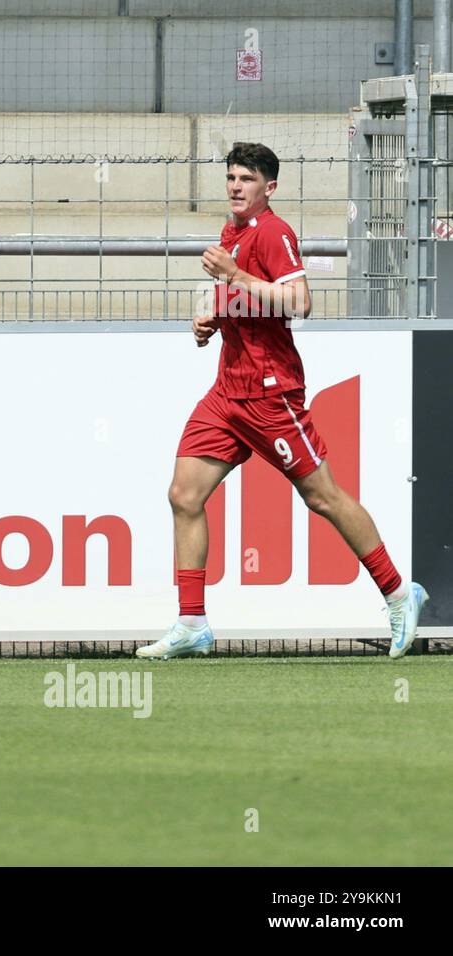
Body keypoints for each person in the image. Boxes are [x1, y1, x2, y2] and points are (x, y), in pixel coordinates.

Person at [138, 143, 426, 660]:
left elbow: (299, 301)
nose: (235, 186)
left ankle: (400, 594)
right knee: (184, 495)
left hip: (272, 393)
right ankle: (192, 622)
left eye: (246, 179)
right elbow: (239, 295)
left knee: (323, 498)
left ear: (268, 187)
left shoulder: (275, 232)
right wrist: (210, 316)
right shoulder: (232, 231)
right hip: (227, 391)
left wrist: (231, 277)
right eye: (230, 177)